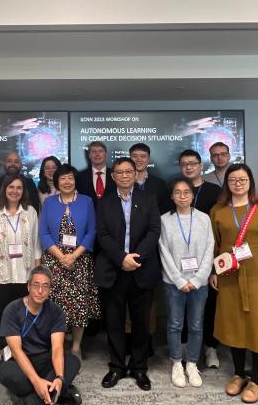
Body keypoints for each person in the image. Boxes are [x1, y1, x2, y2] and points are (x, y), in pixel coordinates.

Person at [208, 163, 258, 403]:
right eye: (233, 180)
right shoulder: (218, 210)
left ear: (250, 182)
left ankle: (256, 380)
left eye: (242, 179)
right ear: (227, 183)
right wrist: (213, 270)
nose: (238, 183)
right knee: (234, 325)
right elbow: (212, 243)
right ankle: (239, 374)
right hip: (229, 277)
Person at [95, 157, 161, 392]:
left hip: (141, 269)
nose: (124, 176)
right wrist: (121, 258)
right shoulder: (103, 202)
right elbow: (102, 235)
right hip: (113, 269)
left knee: (141, 322)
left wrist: (135, 257)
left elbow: (154, 232)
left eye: (128, 172)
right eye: (119, 172)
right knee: (114, 322)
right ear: (112, 176)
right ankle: (116, 366)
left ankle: (140, 368)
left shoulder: (148, 198)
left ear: (135, 174)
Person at [38, 164, 100, 358]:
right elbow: (44, 232)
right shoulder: (49, 202)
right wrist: (61, 257)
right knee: (55, 305)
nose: (67, 182)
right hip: (54, 260)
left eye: (70, 178)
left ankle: (76, 347)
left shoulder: (86, 201)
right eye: (63, 178)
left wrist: (73, 256)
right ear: (57, 181)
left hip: (80, 261)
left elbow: (92, 231)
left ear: (75, 181)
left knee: (79, 305)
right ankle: (57, 345)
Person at [0, 266, 82, 405]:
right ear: (28, 286)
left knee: (73, 361)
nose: (40, 291)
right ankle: (55, 394)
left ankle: (32, 399)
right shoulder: (12, 309)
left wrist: (59, 377)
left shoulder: (56, 311)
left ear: (49, 290)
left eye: (45, 286)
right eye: (36, 285)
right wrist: (36, 381)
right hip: (19, 361)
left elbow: (57, 348)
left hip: (44, 360)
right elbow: (16, 351)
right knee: (5, 372)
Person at [159, 178, 213, 389]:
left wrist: (198, 279)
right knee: (174, 324)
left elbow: (210, 249)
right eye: (177, 192)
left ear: (193, 195)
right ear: (172, 196)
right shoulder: (164, 220)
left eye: (186, 192)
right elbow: (163, 251)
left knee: (196, 324)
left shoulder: (204, 219)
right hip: (174, 282)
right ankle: (176, 363)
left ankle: (191, 363)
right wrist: (180, 280)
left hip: (199, 283)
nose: (182, 196)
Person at [0, 175, 42, 352]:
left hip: (26, 271)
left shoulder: (30, 212)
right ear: (4, 190)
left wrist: (38, 271)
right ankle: (3, 336)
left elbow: (36, 243)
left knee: (25, 306)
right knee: (3, 307)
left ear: (23, 191)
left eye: (18, 188)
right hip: (1, 271)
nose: (14, 191)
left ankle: (24, 336)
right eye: (11, 187)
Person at [177, 148, 223, 367]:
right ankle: (185, 347)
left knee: (208, 305)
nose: (188, 167)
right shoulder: (176, 189)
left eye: (192, 163)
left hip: (207, 256)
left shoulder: (214, 191)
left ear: (200, 165)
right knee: (182, 305)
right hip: (180, 259)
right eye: (184, 164)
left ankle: (210, 347)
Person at [0, 152, 41, 220]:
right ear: (4, 164)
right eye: (9, 161)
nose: (13, 164)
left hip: (24, 225)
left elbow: (35, 208)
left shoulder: (29, 183)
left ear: (21, 165)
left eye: (16, 161)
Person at [129, 143, 170, 214]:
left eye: (143, 156)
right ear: (130, 158)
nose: (139, 159)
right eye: (135, 156)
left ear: (148, 159)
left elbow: (165, 209)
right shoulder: (122, 182)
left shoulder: (160, 184)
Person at [76, 141, 115, 207]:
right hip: (88, 215)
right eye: (94, 151)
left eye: (100, 151)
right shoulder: (80, 177)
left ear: (106, 154)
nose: (97, 154)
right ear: (89, 155)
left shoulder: (115, 175)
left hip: (111, 216)